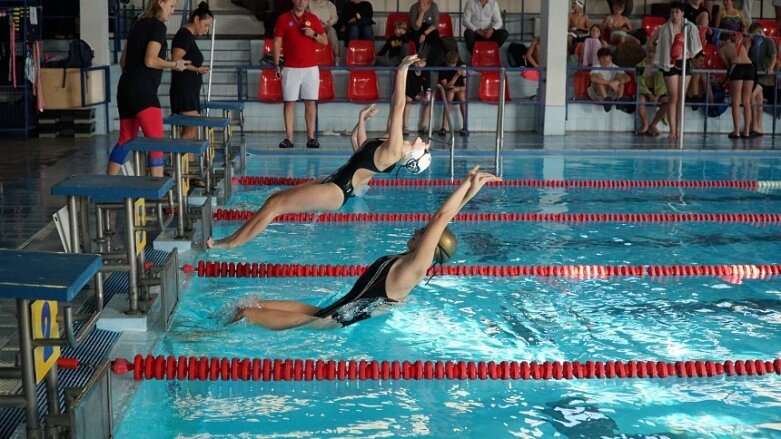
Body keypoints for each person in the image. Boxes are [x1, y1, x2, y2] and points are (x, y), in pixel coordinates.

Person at [232, 165, 501, 330]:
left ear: (431, 247)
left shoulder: (414, 270)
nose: (419, 231)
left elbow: (441, 219)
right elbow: (439, 223)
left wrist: (468, 183)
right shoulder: (406, 260)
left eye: (424, 233)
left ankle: (200, 336)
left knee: (246, 314)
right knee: (247, 305)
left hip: (326, 324)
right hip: (328, 311)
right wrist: (469, 193)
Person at [208, 55, 433, 249]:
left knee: (275, 206)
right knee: (274, 200)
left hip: (337, 190)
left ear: (415, 156)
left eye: (426, 149)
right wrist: (362, 118)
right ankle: (231, 239)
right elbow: (362, 146)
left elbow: (399, 108)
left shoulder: (394, 151)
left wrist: (402, 70)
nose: (427, 144)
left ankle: (230, 244)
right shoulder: (389, 146)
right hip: (334, 181)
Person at [107, 0, 188, 177]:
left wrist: (134, 80)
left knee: (125, 138)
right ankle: (156, 193)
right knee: (156, 142)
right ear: (160, 3)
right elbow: (150, 60)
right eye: (172, 5)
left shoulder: (137, 24)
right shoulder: (158, 27)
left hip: (125, 86)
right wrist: (175, 64)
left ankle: (107, 185)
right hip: (142, 91)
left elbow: (123, 61)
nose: (173, 11)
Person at [273, 0, 328, 149]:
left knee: (310, 102)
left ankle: (311, 137)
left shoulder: (313, 18)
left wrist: (313, 33)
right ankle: (289, 138)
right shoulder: (283, 19)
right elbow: (277, 42)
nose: (301, 2)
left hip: (310, 68)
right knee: (289, 102)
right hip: (290, 68)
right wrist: (276, 64)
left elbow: (325, 41)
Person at [649, 1, 702, 140]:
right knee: (673, 97)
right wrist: (660, 53)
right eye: (672, 12)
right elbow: (651, 42)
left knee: (681, 98)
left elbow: (696, 46)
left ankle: (679, 129)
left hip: (685, 62)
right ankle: (672, 130)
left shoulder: (690, 27)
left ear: (683, 13)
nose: (674, 14)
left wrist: (688, 53)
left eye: (677, 12)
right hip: (669, 63)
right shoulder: (664, 28)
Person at [170, 2, 213, 141]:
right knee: (189, 131)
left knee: (190, 131)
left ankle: (187, 162)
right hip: (184, 90)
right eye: (206, 25)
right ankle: (182, 161)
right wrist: (197, 69)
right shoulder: (183, 35)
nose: (207, 30)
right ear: (196, 20)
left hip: (190, 90)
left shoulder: (187, 37)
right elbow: (176, 60)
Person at [719, 31, 760, 138]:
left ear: (722, 40)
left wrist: (724, 80)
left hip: (737, 68)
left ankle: (736, 131)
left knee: (736, 101)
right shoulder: (739, 46)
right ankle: (746, 132)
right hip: (750, 68)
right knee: (746, 101)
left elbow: (729, 67)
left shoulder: (722, 50)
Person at [748, 22, 776, 134]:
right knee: (759, 100)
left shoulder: (769, 41)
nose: (754, 37)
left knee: (751, 96)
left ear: (760, 32)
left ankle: (754, 124)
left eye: (755, 35)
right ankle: (759, 127)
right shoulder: (754, 46)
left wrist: (771, 67)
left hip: (765, 76)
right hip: (757, 75)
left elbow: (774, 56)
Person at [636, 44, 668, 136]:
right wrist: (649, 94)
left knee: (668, 102)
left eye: (654, 52)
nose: (651, 54)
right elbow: (639, 84)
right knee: (640, 100)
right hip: (645, 90)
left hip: (659, 91)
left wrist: (657, 96)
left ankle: (653, 125)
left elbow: (663, 84)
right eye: (649, 51)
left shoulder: (662, 66)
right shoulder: (640, 66)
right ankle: (645, 124)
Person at [588, 47, 630, 112]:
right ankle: (606, 100)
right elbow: (592, 78)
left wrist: (617, 81)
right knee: (598, 77)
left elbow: (628, 78)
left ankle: (620, 100)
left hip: (612, 94)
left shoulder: (615, 67)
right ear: (599, 59)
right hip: (598, 95)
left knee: (621, 77)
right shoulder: (596, 66)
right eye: (602, 57)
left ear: (610, 57)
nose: (605, 59)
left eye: (606, 56)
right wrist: (610, 83)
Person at [437, 51, 468, 136]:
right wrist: (456, 75)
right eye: (450, 64)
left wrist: (458, 88)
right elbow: (445, 86)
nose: (452, 66)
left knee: (462, 96)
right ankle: (444, 127)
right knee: (450, 95)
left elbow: (466, 86)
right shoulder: (443, 67)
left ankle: (465, 126)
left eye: (454, 64)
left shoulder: (462, 66)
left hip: (459, 88)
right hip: (448, 89)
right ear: (446, 62)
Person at [402, 56, 432, 135]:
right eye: (419, 62)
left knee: (430, 100)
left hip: (419, 92)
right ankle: (405, 127)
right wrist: (415, 96)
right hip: (408, 91)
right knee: (408, 100)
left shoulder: (426, 70)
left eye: (422, 63)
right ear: (414, 62)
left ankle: (424, 126)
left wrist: (426, 95)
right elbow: (406, 87)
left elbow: (427, 85)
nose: (421, 65)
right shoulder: (409, 70)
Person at [410, 0, 443, 66]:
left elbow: (435, 24)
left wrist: (424, 34)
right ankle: (416, 61)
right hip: (418, 29)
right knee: (415, 36)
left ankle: (428, 63)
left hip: (429, 30)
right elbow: (416, 27)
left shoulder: (434, 6)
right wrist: (422, 12)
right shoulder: (414, 7)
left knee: (436, 40)